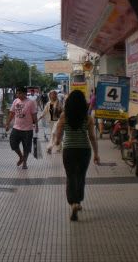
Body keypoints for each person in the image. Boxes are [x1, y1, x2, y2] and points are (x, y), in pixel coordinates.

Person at [54, 90, 100, 221]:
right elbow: (92, 137)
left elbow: (59, 133)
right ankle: (78, 201)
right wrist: (96, 154)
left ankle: (72, 202)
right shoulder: (88, 118)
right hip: (84, 150)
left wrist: (57, 141)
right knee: (81, 176)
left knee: (70, 176)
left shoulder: (64, 116)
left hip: (69, 150)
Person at [5, 86, 38, 169]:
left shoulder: (30, 102)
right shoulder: (15, 101)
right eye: (17, 93)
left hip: (27, 129)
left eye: (19, 93)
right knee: (13, 144)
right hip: (16, 128)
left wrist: (36, 125)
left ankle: (25, 162)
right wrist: (7, 123)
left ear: (24, 93)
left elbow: (34, 115)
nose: (18, 94)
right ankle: (21, 157)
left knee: (26, 147)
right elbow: (11, 113)